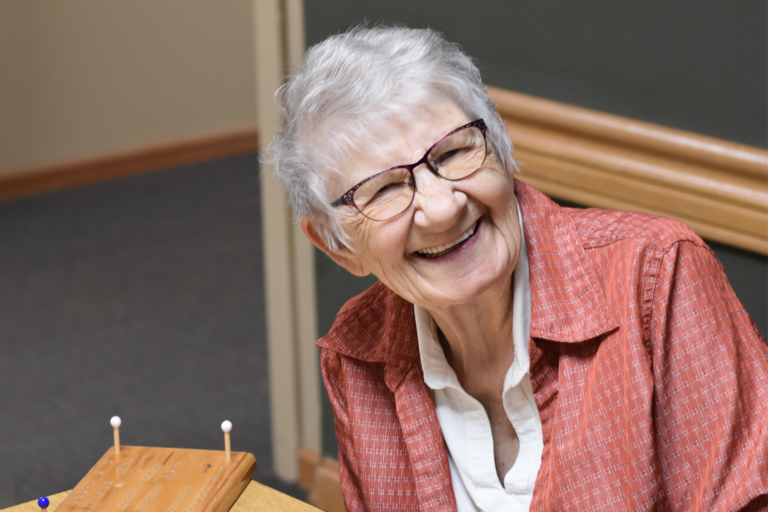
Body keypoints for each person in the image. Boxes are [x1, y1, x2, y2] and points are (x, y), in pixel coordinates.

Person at [269, 26, 768, 511]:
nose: (443, 208)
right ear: (337, 245)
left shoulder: (657, 277)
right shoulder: (357, 356)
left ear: (502, 150)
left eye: (455, 150)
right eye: (384, 189)